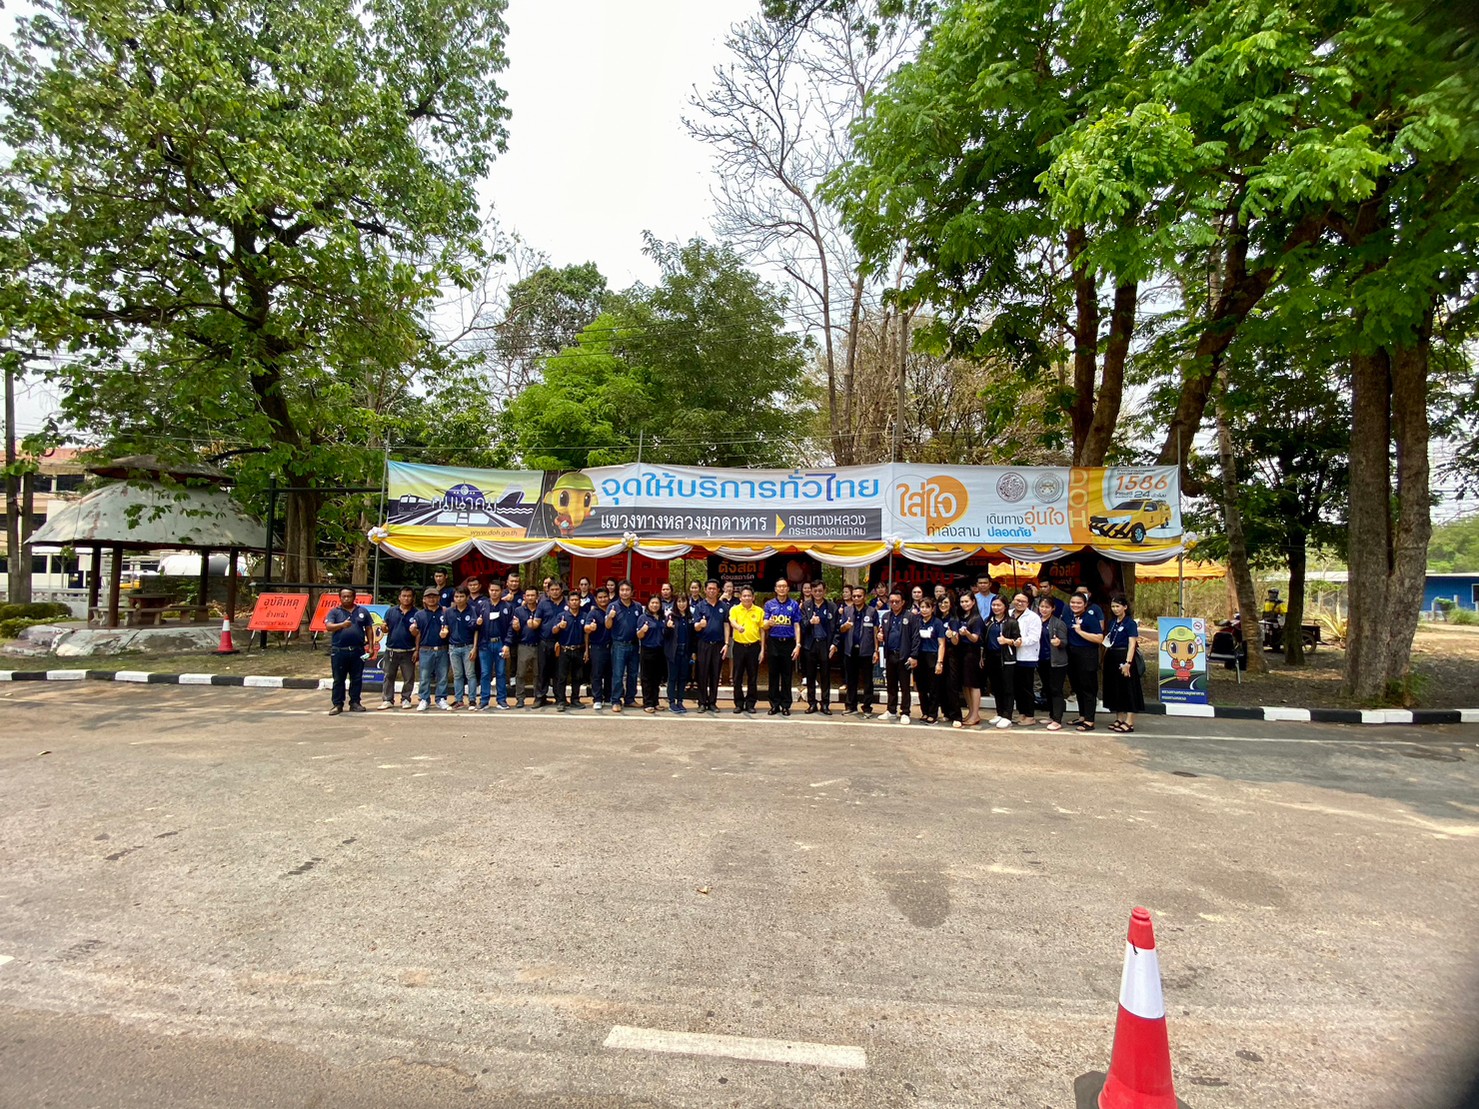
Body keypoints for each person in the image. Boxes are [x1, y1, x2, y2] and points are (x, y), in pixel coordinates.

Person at [324, 586, 374, 715]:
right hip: (339, 651)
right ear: (340, 598)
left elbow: (369, 628)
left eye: (349, 596)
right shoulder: (334, 612)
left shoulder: (362, 611)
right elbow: (328, 626)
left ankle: (355, 703)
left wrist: (371, 646)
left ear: (354, 597)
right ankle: (337, 704)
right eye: (344, 596)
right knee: (338, 679)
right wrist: (342, 625)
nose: (346, 599)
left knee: (356, 678)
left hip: (358, 650)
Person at [876, 589, 920, 723]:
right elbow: (882, 633)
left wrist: (913, 655)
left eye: (897, 601)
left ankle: (905, 712)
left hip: (904, 656)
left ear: (903, 602)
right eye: (892, 601)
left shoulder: (910, 617)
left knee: (905, 686)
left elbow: (915, 637)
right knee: (891, 685)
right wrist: (880, 636)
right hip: (890, 655)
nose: (894, 604)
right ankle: (891, 710)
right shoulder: (885, 616)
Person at [1102, 594, 1144, 732]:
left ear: (1125, 607)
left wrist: (1128, 663)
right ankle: (1119, 718)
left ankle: (1129, 721)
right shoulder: (1112, 622)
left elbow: (1132, 644)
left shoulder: (1130, 623)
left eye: (1118, 606)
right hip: (1112, 656)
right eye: (1113, 606)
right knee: (1115, 688)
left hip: (1124, 656)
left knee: (1128, 688)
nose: (1115, 609)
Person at [762, 578, 802, 716]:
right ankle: (774, 704)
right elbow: (764, 624)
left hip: (789, 643)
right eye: (779, 586)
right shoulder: (769, 604)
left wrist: (798, 644)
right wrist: (768, 623)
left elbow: (796, 625)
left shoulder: (794, 604)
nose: (782, 589)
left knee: (787, 675)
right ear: (775, 589)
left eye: (784, 586)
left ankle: (785, 705)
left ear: (788, 589)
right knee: (773, 675)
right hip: (773, 642)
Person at [1066, 591, 1104, 731]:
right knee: (1078, 688)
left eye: (1078, 603)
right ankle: (1082, 716)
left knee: (1088, 689)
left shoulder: (1090, 618)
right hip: (1072, 655)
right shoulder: (1070, 616)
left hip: (1087, 655)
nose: (1075, 605)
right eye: (1073, 602)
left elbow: (1099, 638)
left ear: (1085, 604)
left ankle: (1089, 720)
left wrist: (1080, 632)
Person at [800, 578, 837, 714]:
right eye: (815, 591)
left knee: (825, 675)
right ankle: (812, 703)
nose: (817, 593)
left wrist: (834, 644)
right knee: (810, 676)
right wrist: (810, 622)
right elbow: (801, 626)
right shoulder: (805, 606)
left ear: (824, 591)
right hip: (810, 645)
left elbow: (836, 627)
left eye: (820, 591)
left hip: (825, 644)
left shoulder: (831, 606)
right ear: (811, 591)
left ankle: (825, 703)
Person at [606, 580, 643, 712]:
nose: (624, 592)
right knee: (618, 674)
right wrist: (610, 617)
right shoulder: (613, 606)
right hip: (619, 645)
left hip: (634, 644)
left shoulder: (638, 607)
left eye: (627, 590)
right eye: (622, 590)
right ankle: (616, 700)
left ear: (632, 592)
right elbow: (607, 626)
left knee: (633, 674)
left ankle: (630, 699)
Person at [692, 580, 729, 714]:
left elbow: (726, 625)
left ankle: (712, 702)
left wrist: (726, 644)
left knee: (715, 674)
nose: (712, 591)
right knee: (702, 674)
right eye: (709, 588)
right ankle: (702, 702)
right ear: (705, 590)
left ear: (718, 590)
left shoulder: (723, 606)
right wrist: (700, 625)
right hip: (703, 644)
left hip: (718, 645)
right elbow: (695, 627)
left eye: (714, 589)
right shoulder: (700, 606)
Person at [379, 586, 418, 710]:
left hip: (409, 650)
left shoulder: (417, 613)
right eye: (404, 596)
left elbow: (419, 634)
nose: (406, 598)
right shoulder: (391, 611)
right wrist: (383, 628)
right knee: (388, 676)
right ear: (399, 597)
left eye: (409, 596)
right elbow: (386, 629)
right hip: (391, 650)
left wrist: (417, 650)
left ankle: (406, 698)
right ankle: (387, 699)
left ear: (413, 598)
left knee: (409, 677)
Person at [840, 586, 877, 716]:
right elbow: (841, 629)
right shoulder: (846, 610)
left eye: (859, 596)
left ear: (865, 597)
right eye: (854, 596)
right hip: (850, 650)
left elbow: (875, 631)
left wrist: (876, 650)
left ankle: (867, 707)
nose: (856, 598)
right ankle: (851, 706)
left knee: (867, 681)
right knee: (851, 680)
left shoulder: (872, 611)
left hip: (866, 651)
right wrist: (845, 626)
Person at [412, 587, 450, 711]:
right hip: (425, 649)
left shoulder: (445, 612)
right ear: (424, 599)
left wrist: (446, 633)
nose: (431, 599)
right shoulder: (419, 614)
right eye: (429, 597)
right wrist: (416, 648)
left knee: (442, 676)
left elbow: (450, 628)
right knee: (424, 676)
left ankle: (441, 698)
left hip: (442, 648)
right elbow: (417, 633)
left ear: (438, 598)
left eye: (434, 597)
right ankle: (424, 699)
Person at [476, 579, 512, 710]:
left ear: (501, 591)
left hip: (500, 643)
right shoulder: (482, 606)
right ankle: (484, 700)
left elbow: (511, 627)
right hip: (485, 644)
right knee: (485, 673)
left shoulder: (507, 607)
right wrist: (476, 623)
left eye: (497, 590)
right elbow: (473, 624)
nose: (494, 593)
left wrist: (507, 644)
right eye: (492, 590)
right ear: (488, 591)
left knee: (501, 673)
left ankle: (501, 700)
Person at [728, 586, 763, 714]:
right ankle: (738, 703)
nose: (747, 598)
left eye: (749, 596)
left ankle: (750, 703)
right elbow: (732, 621)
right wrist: (738, 627)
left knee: (752, 676)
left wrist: (762, 649)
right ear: (740, 597)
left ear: (753, 597)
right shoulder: (735, 609)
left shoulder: (759, 611)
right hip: (739, 646)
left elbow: (762, 630)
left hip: (754, 647)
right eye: (744, 596)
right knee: (737, 676)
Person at [1008, 593, 1042, 726]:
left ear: (1028, 603)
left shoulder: (1033, 617)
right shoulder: (1009, 614)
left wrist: (1020, 641)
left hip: (1026, 656)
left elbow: (1034, 637)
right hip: (1011, 656)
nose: (1020, 603)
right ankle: (1021, 713)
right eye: (1017, 600)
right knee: (1016, 687)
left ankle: (1030, 715)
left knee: (1026, 687)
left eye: (1023, 601)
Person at [532, 580, 567, 708]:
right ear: (548, 591)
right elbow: (537, 621)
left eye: (557, 589)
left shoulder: (567, 603)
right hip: (545, 642)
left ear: (561, 590)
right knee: (543, 671)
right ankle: (540, 698)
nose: (555, 592)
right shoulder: (543, 604)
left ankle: (560, 698)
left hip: (562, 643)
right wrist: (531, 624)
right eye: (552, 590)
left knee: (560, 673)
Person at [1037, 595, 1070, 731]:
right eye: (1042, 606)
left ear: (1053, 608)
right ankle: (1052, 715)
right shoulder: (1036, 621)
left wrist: (1059, 642)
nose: (1044, 609)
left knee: (1056, 690)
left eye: (1047, 607)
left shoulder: (1058, 623)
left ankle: (1057, 719)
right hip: (1041, 660)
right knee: (1047, 688)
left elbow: (1065, 642)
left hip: (1056, 662)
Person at [913, 596, 947, 724]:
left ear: (932, 609)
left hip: (932, 656)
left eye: (927, 607)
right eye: (922, 607)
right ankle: (925, 712)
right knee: (921, 687)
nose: (924, 610)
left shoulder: (937, 623)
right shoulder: (917, 621)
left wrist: (940, 662)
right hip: (919, 656)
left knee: (933, 688)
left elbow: (941, 644)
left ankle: (933, 714)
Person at [445, 586, 479, 709]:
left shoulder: (472, 610)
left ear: (467, 597)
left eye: (461, 596)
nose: (459, 599)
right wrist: (444, 632)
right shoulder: (449, 612)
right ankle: (459, 700)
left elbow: (476, 630)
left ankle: (472, 700)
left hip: (468, 646)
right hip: (453, 647)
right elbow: (445, 627)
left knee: (470, 674)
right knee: (457, 675)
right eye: (456, 596)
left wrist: (474, 647)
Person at [982, 595, 1012, 728]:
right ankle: (1000, 712)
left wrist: (1007, 641)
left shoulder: (1011, 622)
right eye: (993, 605)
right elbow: (983, 640)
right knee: (996, 686)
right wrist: (982, 657)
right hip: (991, 657)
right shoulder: (988, 621)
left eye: (999, 605)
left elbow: (1017, 639)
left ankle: (1007, 715)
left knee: (1007, 687)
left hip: (1005, 657)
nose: (996, 608)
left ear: (1005, 606)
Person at [552, 591, 585, 711]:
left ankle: (575, 699)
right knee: (562, 677)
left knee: (577, 677)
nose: (574, 602)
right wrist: (559, 626)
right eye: (572, 600)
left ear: (580, 602)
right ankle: (561, 701)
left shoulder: (584, 615)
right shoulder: (562, 616)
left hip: (579, 649)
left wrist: (586, 650)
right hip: (564, 650)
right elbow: (553, 630)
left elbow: (587, 634)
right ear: (568, 602)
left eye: (576, 600)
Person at [510, 587, 542, 709]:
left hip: (539, 645)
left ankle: (538, 698)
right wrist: (516, 627)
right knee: (521, 674)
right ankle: (520, 698)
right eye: (528, 595)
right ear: (524, 597)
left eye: (532, 595)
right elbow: (515, 628)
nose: (530, 598)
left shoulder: (541, 610)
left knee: (537, 674)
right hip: (524, 645)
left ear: (537, 597)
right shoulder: (518, 611)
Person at [958, 591, 985, 726]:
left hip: (972, 653)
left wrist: (967, 633)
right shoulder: (962, 616)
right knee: (965, 685)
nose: (964, 604)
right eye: (962, 602)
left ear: (973, 602)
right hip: (962, 652)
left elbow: (975, 638)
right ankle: (970, 712)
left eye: (967, 601)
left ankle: (975, 714)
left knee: (974, 684)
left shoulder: (976, 619)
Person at [636, 595, 667, 713]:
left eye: (657, 603)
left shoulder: (663, 618)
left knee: (657, 679)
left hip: (660, 651)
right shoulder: (643, 618)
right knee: (647, 678)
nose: (655, 605)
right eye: (652, 603)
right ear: (648, 604)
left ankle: (655, 702)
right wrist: (642, 630)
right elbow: (639, 636)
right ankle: (648, 703)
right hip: (647, 650)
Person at [664, 593, 694, 714]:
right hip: (673, 651)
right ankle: (671, 702)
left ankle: (680, 701)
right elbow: (665, 635)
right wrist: (667, 627)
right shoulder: (671, 617)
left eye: (684, 601)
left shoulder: (690, 617)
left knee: (683, 677)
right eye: (679, 602)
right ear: (675, 603)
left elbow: (693, 636)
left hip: (685, 651)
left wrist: (693, 652)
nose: (682, 604)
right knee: (672, 677)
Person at [584, 586, 613, 710]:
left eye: (605, 597)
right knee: (597, 674)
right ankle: (597, 698)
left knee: (610, 673)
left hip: (612, 647)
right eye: (600, 597)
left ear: (609, 597)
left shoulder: (613, 610)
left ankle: (608, 697)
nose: (603, 599)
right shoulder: (593, 613)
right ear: (596, 599)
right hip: (597, 647)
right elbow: (586, 629)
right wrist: (590, 627)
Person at [937, 591, 963, 726]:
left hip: (951, 655)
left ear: (951, 604)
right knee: (940, 684)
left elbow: (956, 641)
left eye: (946, 602)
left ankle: (957, 716)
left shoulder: (954, 620)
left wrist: (952, 634)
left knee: (951, 685)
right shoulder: (937, 618)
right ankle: (946, 712)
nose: (943, 605)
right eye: (941, 602)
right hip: (938, 654)